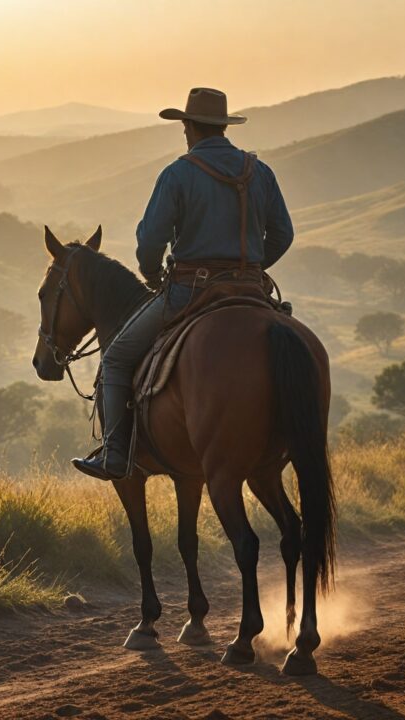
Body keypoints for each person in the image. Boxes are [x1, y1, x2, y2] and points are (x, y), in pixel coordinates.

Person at [72, 87, 295, 481]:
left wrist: (152, 274)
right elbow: (283, 235)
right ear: (223, 127)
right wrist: (253, 268)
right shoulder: (259, 171)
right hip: (250, 291)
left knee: (116, 359)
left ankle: (115, 453)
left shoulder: (178, 173)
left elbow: (150, 242)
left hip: (191, 291)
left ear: (189, 126)